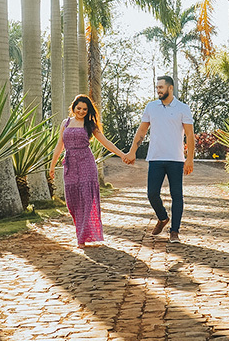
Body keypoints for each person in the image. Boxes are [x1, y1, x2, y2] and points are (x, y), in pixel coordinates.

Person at [49, 94, 130, 248]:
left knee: (87, 198)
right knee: (72, 201)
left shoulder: (90, 125)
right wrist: (52, 165)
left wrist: (122, 155)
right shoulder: (65, 123)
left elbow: (106, 142)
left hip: (86, 163)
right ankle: (81, 232)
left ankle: (82, 237)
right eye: (79, 108)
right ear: (73, 107)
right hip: (70, 164)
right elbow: (60, 145)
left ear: (88, 111)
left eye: (85, 109)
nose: (81, 111)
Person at [126, 75, 194, 243]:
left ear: (170, 88)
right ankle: (163, 218)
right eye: (157, 87)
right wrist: (132, 151)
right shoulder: (151, 107)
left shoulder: (183, 108)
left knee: (177, 195)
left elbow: (190, 135)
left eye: (161, 87)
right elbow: (142, 131)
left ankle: (174, 231)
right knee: (152, 194)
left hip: (176, 159)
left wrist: (190, 159)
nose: (158, 90)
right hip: (155, 157)